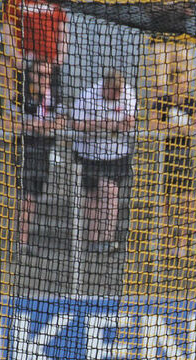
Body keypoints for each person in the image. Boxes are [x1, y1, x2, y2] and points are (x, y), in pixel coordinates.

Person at [72, 70, 136, 253]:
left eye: (118, 91)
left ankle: (107, 238)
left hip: (115, 154)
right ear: (105, 87)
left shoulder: (128, 94)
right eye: (113, 91)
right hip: (89, 153)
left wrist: (115, 125)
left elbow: (130, 122)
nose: (116, 95)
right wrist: (100, 124)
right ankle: (93, 239)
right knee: (92, 194)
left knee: (110, 191)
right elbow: (76, 124)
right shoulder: (88, 95)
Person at [149, 69, 196, 257]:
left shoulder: (192, 102)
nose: (183, 87)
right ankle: (165, 240)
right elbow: (153, 124)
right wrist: (177, 126)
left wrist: (181, 128)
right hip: (164, 157)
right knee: (163, 201)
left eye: (185, 83)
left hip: (184, 156)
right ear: (172, 84)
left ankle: (183, 241)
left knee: (186, 201)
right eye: (179, 83)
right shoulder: (162, 101)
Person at [17, 60, 64, 252]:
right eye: (40, 74)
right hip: (25, 151)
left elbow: (61, 121)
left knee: (34, 196)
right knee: (26, 196)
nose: (44, 79)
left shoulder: (54, 96)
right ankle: (21, 241)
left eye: (47, 75)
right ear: (32, 75)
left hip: (44, 151)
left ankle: (24, 239)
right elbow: (9, 122)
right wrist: (33, 125)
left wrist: (44, 126)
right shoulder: (21, 94)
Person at [0, 0, 68, 101]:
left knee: (49, 94)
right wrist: (15, 55)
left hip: (49, 61)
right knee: (22, 95)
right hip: (24, 60)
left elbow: (63, 30)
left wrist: (60, 56)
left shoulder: (56, 2)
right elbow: (8, 27)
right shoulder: (16, 2)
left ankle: (46, 106)